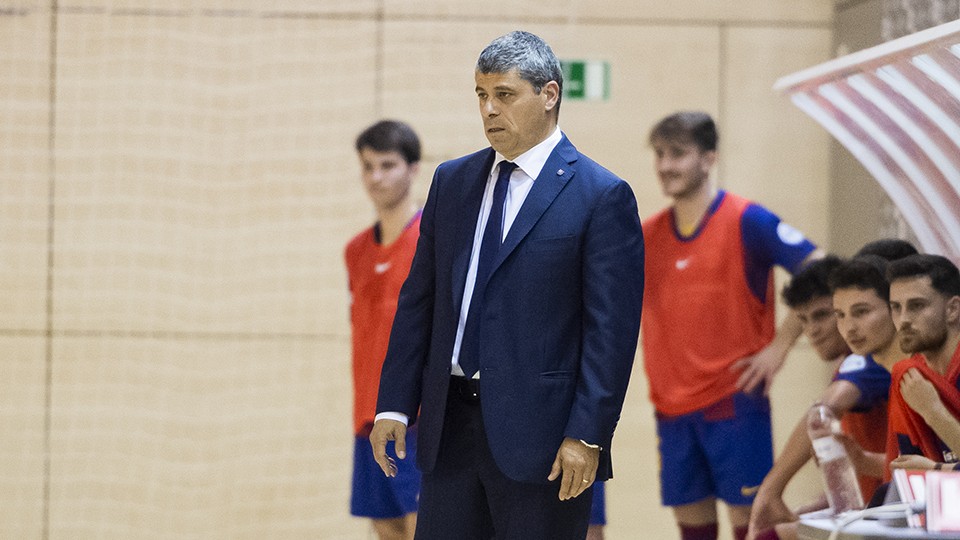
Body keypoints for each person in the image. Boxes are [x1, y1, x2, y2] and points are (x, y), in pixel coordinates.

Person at [369, 31, 645, 540]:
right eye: (481, 95)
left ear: (549, 94)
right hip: (448, 428)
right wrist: (394, 402)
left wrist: (587, 434)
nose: (490, 109)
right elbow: (419, 301)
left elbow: (612, 334)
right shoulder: (452, 182)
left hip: (544, 441)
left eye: (505, 94)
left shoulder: (601, 196)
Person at [642, 111, 821, 540]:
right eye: (660, 154)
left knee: (753, 526)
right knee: (693, 528)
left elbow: (822, 268)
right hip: (670, 407)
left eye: (679, 154)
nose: (666, 165)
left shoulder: (748, 220)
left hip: (734, 402)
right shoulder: (647, 235)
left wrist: (780, 346)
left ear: (709, 158)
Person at [344, 120, 423, 540]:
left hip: (418, 422)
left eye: (388, 165)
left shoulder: (433, 240)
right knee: (386, 529)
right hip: (369, 418)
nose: (376, 177)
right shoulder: (355, 251)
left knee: (424, 529)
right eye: (368, 166)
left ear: (412, 169)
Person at [886, 254, 960, 471]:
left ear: (953, 309)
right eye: (896, 307)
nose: (904, 319)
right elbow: (908, 467)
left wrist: (933, 411)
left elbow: (924, 468)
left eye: (916, 306)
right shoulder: (909, 376)